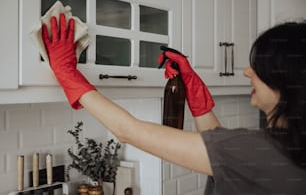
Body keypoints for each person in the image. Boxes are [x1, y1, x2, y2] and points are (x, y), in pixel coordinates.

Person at [42, 13, 306, 194]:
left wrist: (68, 74)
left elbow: (128, 131)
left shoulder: (255, 149)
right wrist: (194, 90)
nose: (247, 72)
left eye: (258, 66)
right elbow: (220, 147)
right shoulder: (287, 147)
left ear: (284, 80)